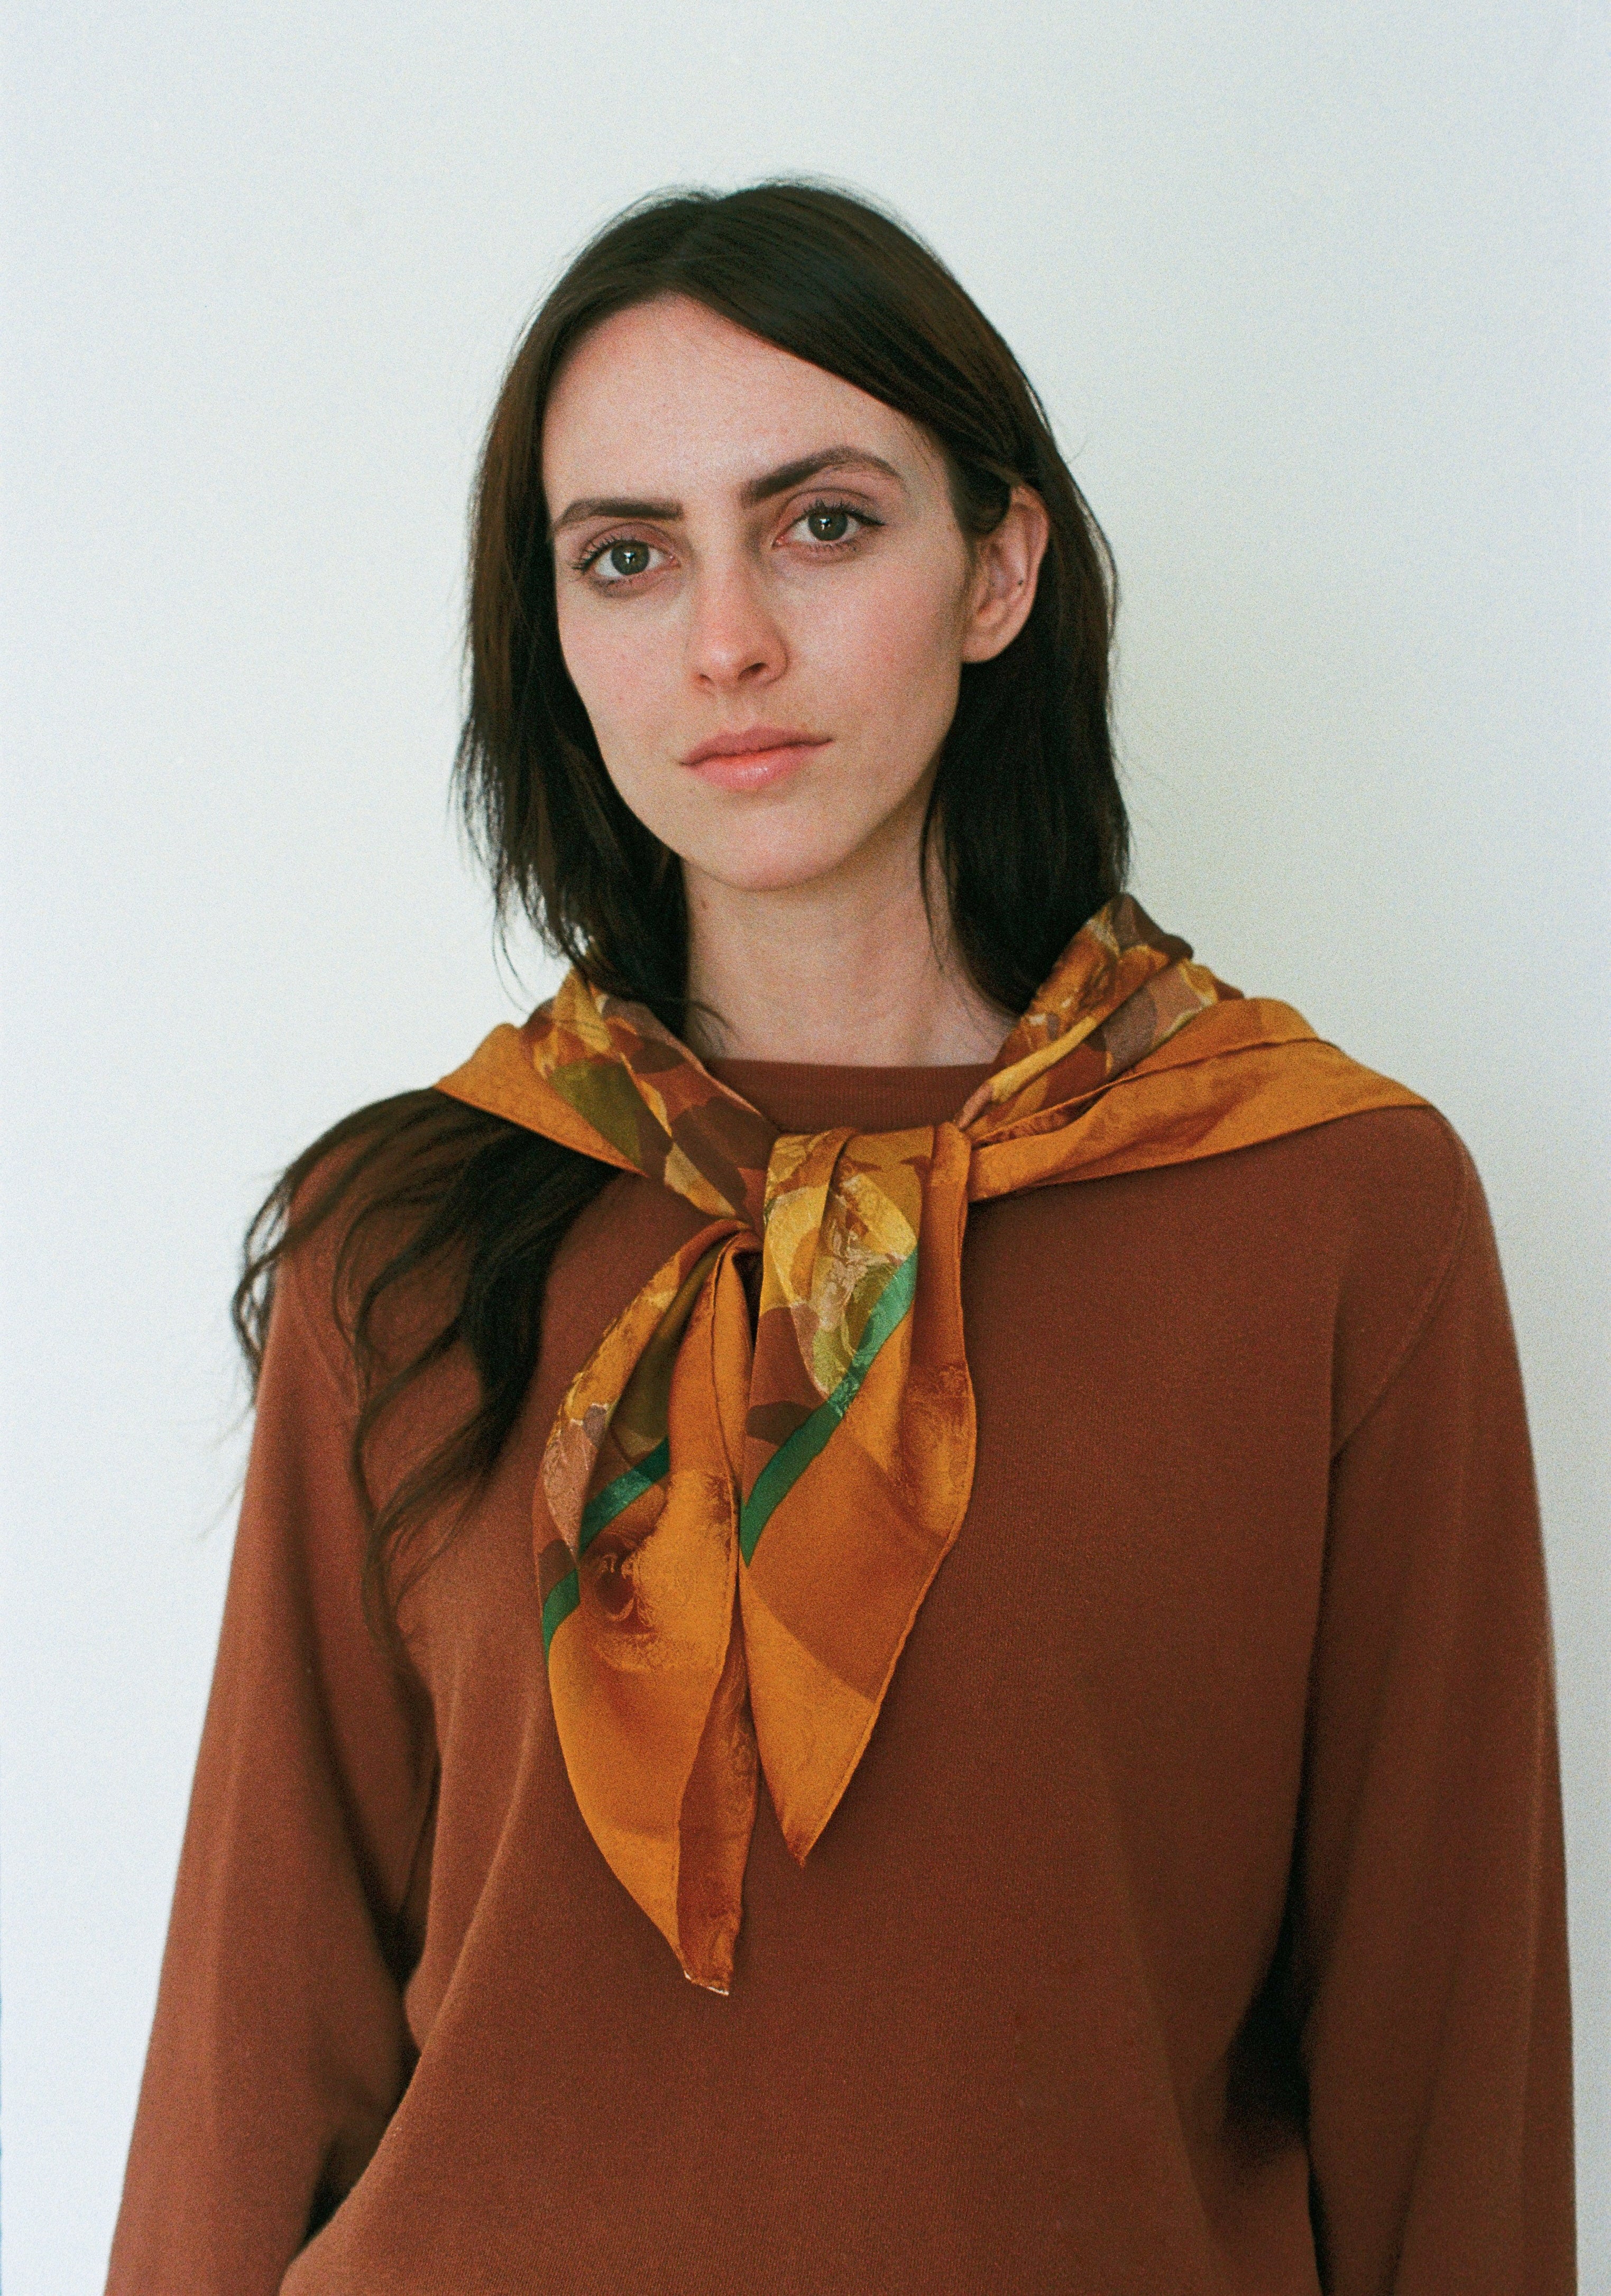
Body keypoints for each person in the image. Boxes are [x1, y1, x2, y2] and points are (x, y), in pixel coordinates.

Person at [106, 182, 1575, 2294]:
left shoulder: (1330, 1208)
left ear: (997, 568)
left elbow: (1451, 2070)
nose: (726, 642)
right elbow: (264, 2037)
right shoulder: (416, 1226)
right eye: (630, 555)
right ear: (558, 631)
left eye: (820, 524)